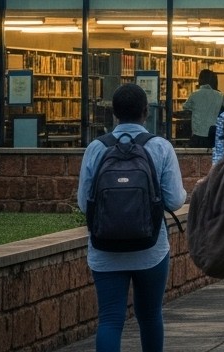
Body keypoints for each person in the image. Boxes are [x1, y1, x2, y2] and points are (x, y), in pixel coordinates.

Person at [76, 83, 186, 352]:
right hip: (151, 249)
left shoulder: (96, 148)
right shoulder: (160, 147)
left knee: (110, 320)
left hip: (105, 250)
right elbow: (174, 200)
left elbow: (83, 204)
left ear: (114, 114)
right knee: (149, 316)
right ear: (146, 112)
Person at [183, 69, 224, 149]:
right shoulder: (220, 96)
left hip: (197, 134)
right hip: (214, 134)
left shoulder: (195, 94)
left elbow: (185, 107)